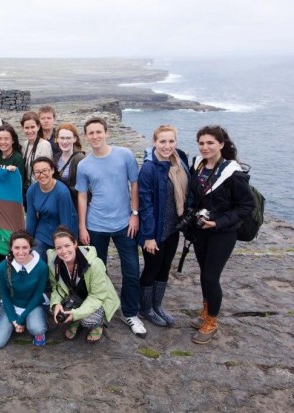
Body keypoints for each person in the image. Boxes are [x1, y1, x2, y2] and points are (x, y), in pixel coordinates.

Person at [76, 117, 146, 337]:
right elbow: (82, 195)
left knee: (132, 271)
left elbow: (134, 184)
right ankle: (100, 311)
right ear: (86, 136)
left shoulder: (124, 154)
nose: (95, 136)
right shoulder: (84, 164)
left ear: (106, 132)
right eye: (91, 133)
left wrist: (134, 214)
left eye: (99, 132)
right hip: (96, 224)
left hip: (125, 224)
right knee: (98, 271)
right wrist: (82, 226)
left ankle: (130, 313)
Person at [186, 125, 254, 344]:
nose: (205, 147)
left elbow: (246, 206)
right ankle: (206, 311)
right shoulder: (198, 165)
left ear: (221, 145)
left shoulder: (233, 173)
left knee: (210, 276)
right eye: (202, 143)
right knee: (204, 272)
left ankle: (212, 321)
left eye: (210, 143)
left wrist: (217, 222)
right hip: (201, 230)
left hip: (222, 233)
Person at [138, 125, 190, 327]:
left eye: (171, 141)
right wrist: (148, 236)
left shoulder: (180, 161)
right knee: (152, 268)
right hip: (155, 229)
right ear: (154, 142)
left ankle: (157, 305)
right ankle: (146, 308)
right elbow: (146, 204)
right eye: (162, 141)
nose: (167, 146)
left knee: (165, 267)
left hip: (173, 227)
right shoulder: (149, 168)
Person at [47, 226, 120, 343]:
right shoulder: (54, 263)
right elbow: (57, 287)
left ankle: (97, 324)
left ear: (75, 244)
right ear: (55, 249)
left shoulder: (95, 264)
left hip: (98, 299)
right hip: (76, 297)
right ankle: (76, 319)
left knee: (88, 321)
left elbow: (97, 296)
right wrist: (56, 304)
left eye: (67, 245)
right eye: (59, 248)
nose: (64, 251)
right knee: (57, 311)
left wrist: (76, 314)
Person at [0, 230, 48, 349]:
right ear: (11, 248)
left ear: (30, 247)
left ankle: (35, 323)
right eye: (17, 248)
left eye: (25, 247)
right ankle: (12, 322)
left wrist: (20, 319)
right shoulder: (2, 267)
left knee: (37, 329)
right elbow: (4, 295)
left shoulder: (41, 266)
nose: (21, 252)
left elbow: (37, 296)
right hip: (13, 304)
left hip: (33, 304)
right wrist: (13, 318)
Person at [26, 157, 78, 260]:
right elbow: (30, 218)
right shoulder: (32, 190)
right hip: (43, 230)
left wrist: (63, 243)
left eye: (45, 170)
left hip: (62, 229)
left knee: (59, 262)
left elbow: (66, 221)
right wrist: (28, 242)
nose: (41, 175)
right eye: (37, 172)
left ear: (52, 170)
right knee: (36, 260)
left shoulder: (62, 192)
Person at [53, 123, 85, 210]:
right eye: (62, 138)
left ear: (74, 139)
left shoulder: (80, 159)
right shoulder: (56, 158)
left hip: (75, 206)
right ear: (57, 139)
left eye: (68, 138)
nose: (65, 142)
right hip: (60, 205)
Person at [21, 111, 53, 191]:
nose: (30, 131)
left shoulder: (44, 145)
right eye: (27, 128)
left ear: (38, 127)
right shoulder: (25, 145)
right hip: (29, 188)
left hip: (40, 188)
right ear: (23, 128)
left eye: (32, 127)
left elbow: (45, 173)